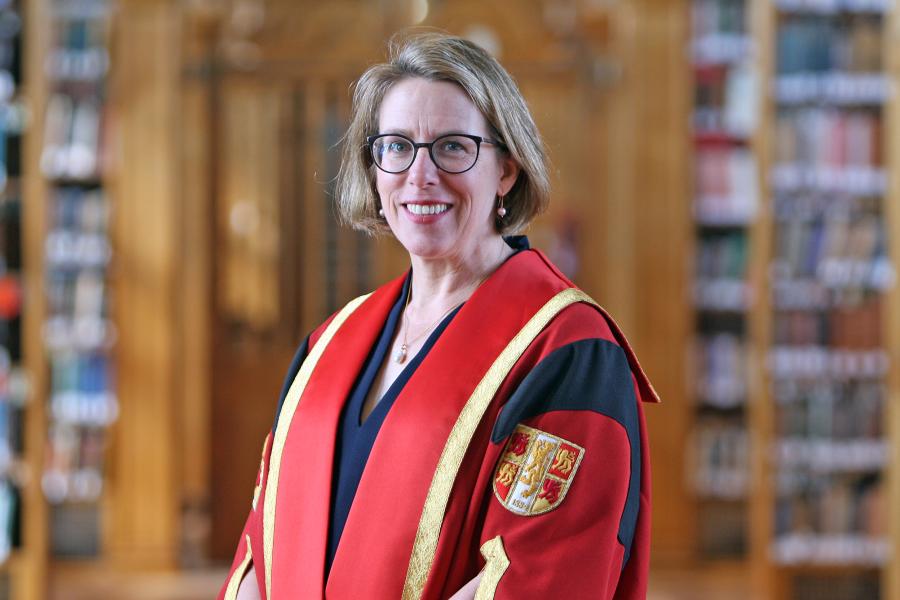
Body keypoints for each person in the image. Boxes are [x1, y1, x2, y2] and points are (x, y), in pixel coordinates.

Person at [219, 32, 658, 600]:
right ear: (374, 170)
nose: (420, 175)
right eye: (396, 147)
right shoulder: (330, 343)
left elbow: (539, 572)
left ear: (506, 169)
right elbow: (263, 542)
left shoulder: (567, 351)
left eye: (453, 146)